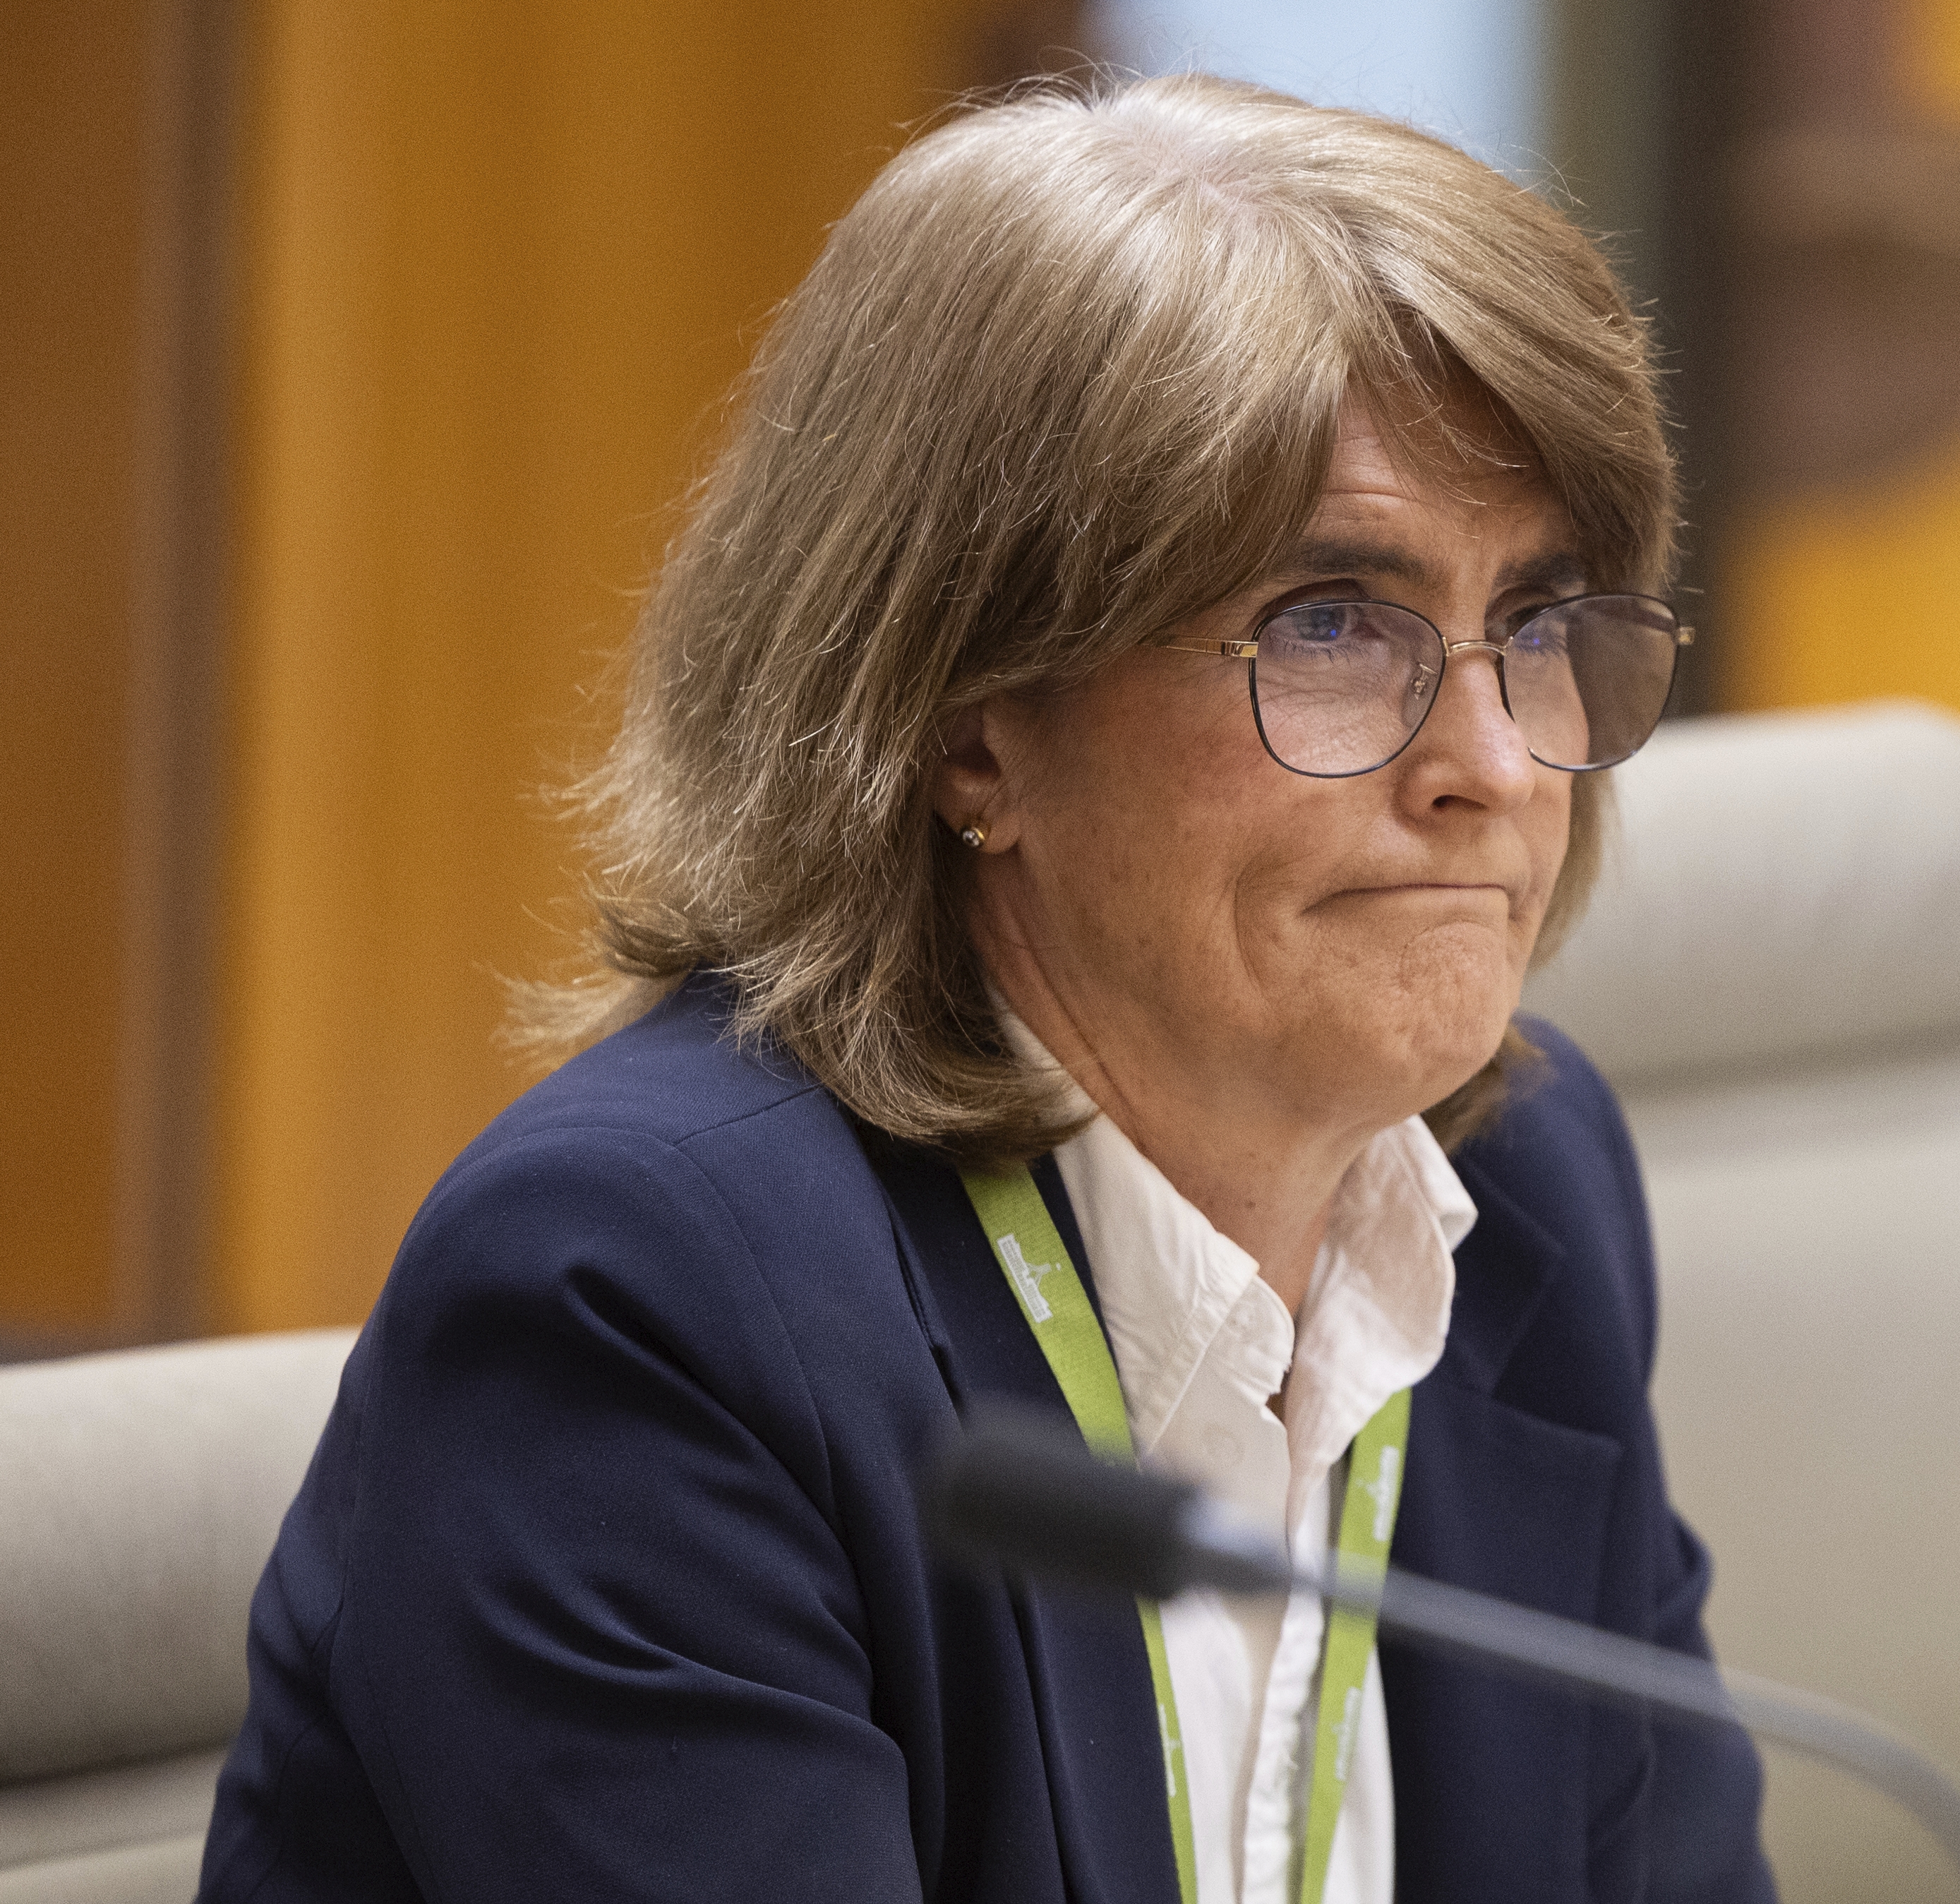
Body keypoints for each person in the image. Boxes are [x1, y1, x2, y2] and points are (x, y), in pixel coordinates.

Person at [199, 73, 1773, 1904]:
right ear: (967, 724)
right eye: (1334, 622)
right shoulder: (637, 1304)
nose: (1492, 766)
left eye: (1539, 627)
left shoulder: (1524, 1204)